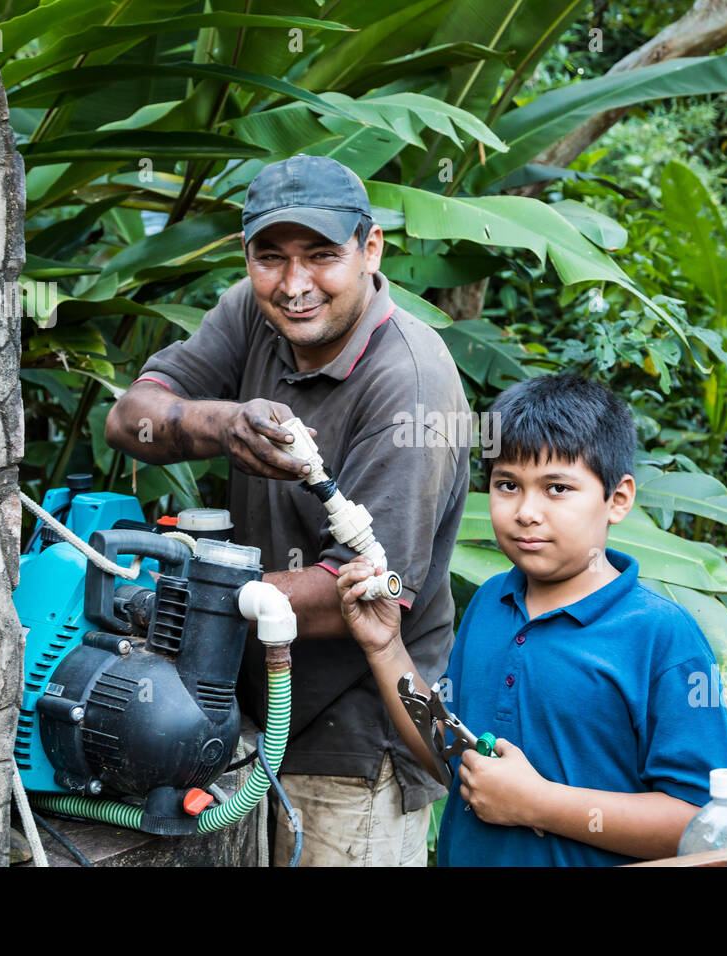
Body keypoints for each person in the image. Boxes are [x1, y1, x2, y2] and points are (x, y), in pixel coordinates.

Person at [104, 155, 470, 866]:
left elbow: (360, 596)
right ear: (248, 258)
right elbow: (128, 420)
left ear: (371, 250)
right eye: (271, 258)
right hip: (247, 724)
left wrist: (175, 604)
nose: (295, 285)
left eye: (322, 257)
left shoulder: (410, 384)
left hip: (356, 748)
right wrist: (222, 425)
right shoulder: (254, 310)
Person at [335, 373, 727, 865]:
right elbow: (453, 752)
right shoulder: (490, 602)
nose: (527, 511)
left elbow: (702, 823)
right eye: (508, 485)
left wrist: (537, 804)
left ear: (618, 500)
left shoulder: (661, 637)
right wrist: (385, 648)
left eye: (557, 488)